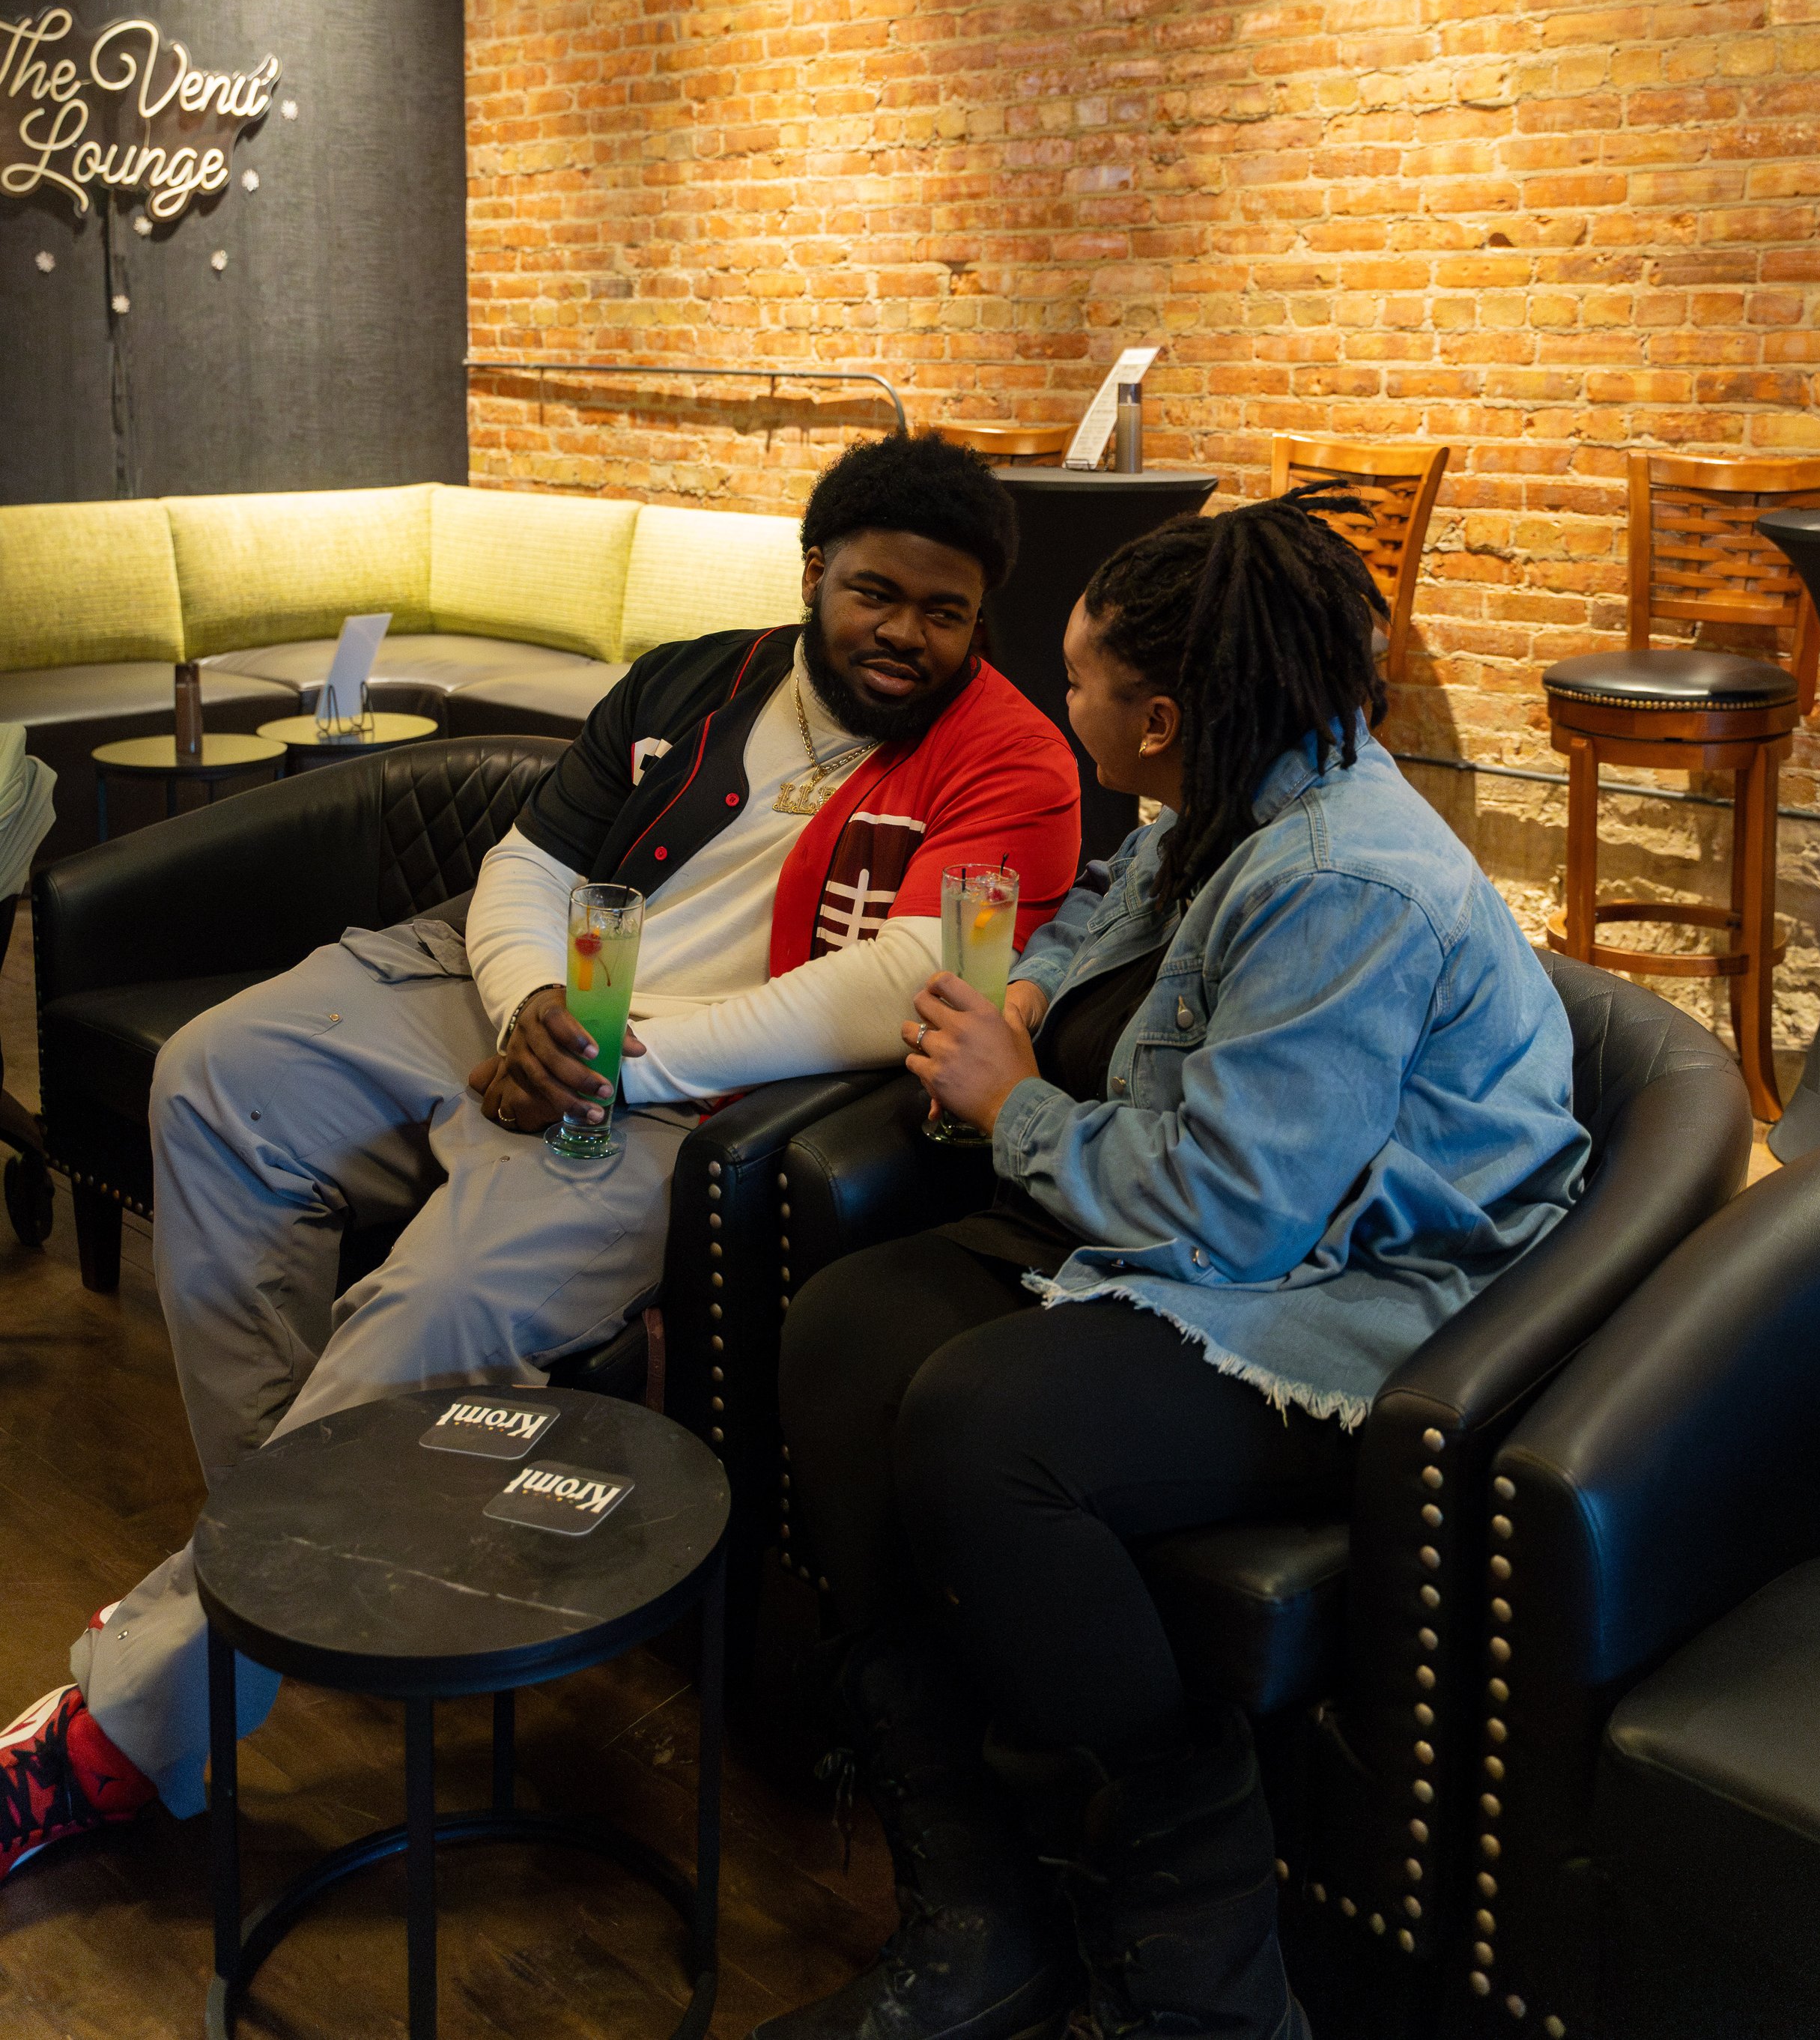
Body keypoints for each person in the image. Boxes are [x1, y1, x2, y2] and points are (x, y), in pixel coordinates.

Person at [0, 434, 1081, 1883]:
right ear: (815, 571)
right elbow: (527, 860)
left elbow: (908, 984)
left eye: (945, 612)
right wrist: (525, 1006)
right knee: (213, 1075)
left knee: (437, 1309)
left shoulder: (1014, 755)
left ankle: (123, 1729)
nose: (907, 635)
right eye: (876, 593)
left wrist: (614, 1057)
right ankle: (297, 1587)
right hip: (500, 992)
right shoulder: (698, 677)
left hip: (674, 1097)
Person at [769, 491, 1589, 2040]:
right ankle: (984, 1908)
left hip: (1358, 1292)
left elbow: (1236, 1208)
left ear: (1157, 718)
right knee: (843, 1331)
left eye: (1077, 679)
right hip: (1208, 1228)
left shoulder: (1340, 883)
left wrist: (1013, 1107)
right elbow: (1102, 922)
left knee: (984, 1426)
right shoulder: (1213, 800)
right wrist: (1029, 1000)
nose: (1056, 697)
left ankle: (1207, 1985)